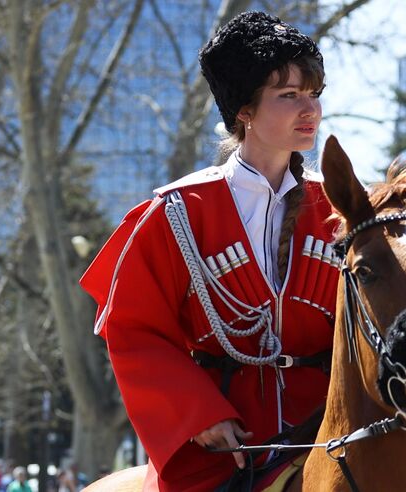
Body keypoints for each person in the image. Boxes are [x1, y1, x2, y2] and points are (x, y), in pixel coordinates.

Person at [80, 11, 336, 492]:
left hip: (330, 432)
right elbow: (133, 329)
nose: (310, 110)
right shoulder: (175, 212)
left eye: (314, 94)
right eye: (289, 96)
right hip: (225, 443)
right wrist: (198, 415)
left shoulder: (340, 206)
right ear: (244, 111)